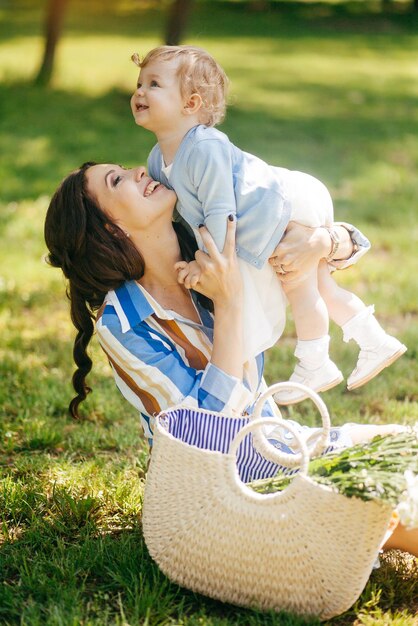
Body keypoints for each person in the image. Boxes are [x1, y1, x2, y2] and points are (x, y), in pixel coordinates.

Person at [44, 161, 417, 556]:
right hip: (221, 497)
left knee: (406, 445)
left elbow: (343, 237)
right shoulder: (124, 324)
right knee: (389, 495)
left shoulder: (215, 247)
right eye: (116, 180)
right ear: (109, 229)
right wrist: (230, 302)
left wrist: (322, 242)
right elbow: (204, 431)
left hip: (283, 448)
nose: (139, 170)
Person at [130, 45, 406, 405]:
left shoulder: (204, 148)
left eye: (153, 84)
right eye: (139, 83)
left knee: (300, 286)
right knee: (320, 285)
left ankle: (314, 361)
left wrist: (207, 260)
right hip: (274, 207)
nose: (139, 92)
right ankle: (373, 339)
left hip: (288, 203)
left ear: (191, 104)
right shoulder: (157, 158)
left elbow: (219, 210)